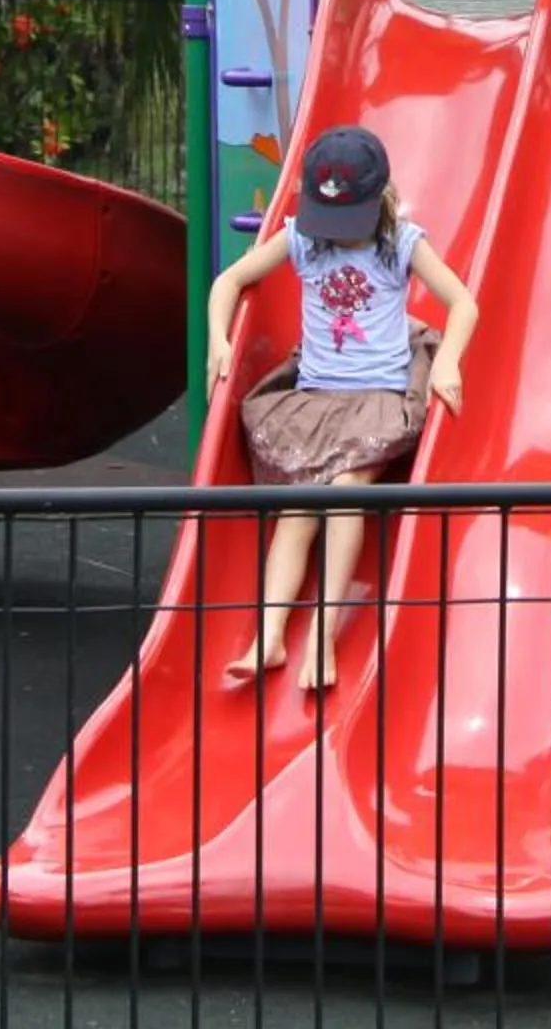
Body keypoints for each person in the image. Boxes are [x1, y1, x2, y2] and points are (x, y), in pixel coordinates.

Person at [208, 124, 474, 692]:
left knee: (344, 489)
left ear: (377, 200)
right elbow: (228, 282)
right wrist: (218, 339)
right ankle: (270, 635)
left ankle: (323, 637)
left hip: (376, 398)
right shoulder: (303, 239)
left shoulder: (401, 241)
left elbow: (462, 302)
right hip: (314, 397)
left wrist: (447, 360)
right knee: (297, 505)